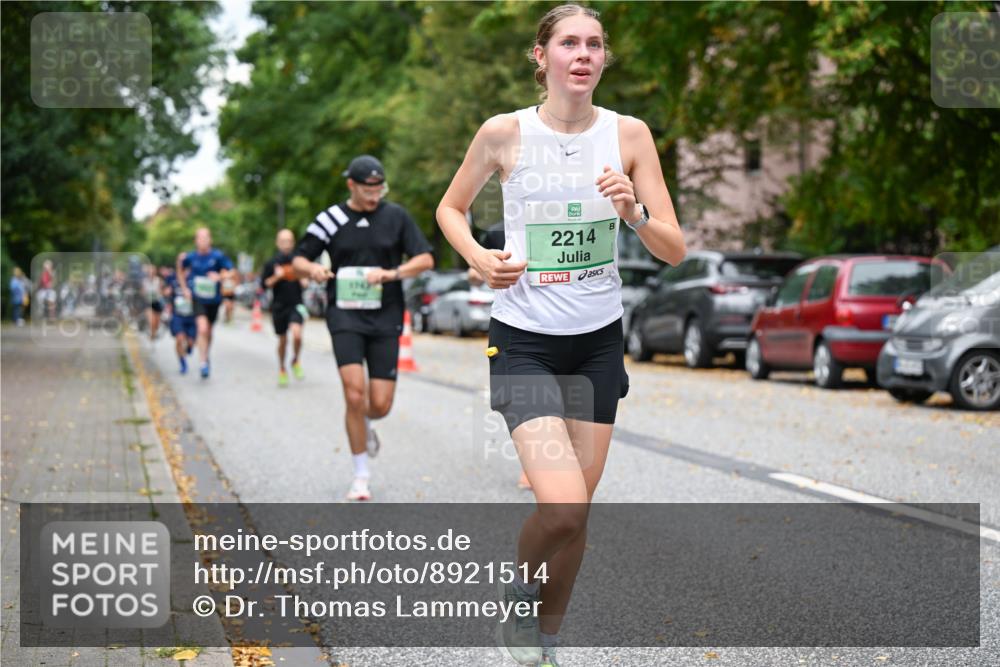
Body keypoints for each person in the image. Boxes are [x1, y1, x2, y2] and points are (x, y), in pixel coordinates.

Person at [435, 5, 685, 666]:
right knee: (564, 504)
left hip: (598, 340)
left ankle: (542, 642)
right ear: (540, 56)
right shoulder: (504, 132)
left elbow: (675, 247)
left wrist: (633, 211)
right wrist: (478, 257)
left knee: (579, 514)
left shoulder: (629, 135)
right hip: (524, 338)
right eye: (569, 42)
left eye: (595, 44)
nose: (583, 54)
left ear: (603, 59)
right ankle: (518, 589)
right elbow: (450, 208)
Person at [293, 155, 434, 501]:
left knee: (379, 404)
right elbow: (298, 260)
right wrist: (311, 270)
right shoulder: (331, 218)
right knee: (354, 392)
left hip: (386, 315)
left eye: (379, 189)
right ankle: (361, 474)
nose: (374, 196)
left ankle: (367, 423)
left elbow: (425, 258)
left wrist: (393, 273)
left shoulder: (396, 216)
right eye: (368, 190)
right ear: (351, 186)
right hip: (345, 315)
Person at [176, 228, 234, 379]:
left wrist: (220, 276)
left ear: (210, 240)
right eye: (200, 238)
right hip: (197, 298)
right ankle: (203, 363)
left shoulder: (218, 256)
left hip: (214, 300)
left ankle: (205, 355)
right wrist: (185, 289)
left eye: (205, 237)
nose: (202, 240)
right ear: (196, 241)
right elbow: (180, 270)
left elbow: (232, 272)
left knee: (209, 331)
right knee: (202, 328)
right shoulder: (190, 257)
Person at [261, 229, 309, 386]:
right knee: (282, 340)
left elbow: (306, 282)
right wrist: (277, 276)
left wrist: (302, 278)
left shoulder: (299, 261)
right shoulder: (272, 262)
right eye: (283, 241)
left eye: (289, 241)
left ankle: (295, 360)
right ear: (277, 243)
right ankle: (282, 368)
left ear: (293, 242)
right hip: (279, 306)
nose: (286, 244)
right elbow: (264, 285)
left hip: (296, 304)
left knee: (297, 335)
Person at [164, 263, 196, 374]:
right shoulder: (173, 279)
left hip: (192, 315)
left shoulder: (194, 279)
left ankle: (189, 347)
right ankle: (182, 363)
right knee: (179, 338)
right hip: (177, 315)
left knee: (190, 342)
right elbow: (166, 291)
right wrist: (167, 293)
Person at [143, 264, 164, 340]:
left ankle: (154, 333)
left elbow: (162, 291)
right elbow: (142, 292)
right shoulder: (144, 281)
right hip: (148, 302)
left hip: (157, 302)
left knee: (156, 323)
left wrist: (159, 293)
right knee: (151, 321)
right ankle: (151, 333)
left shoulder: (158, 280)